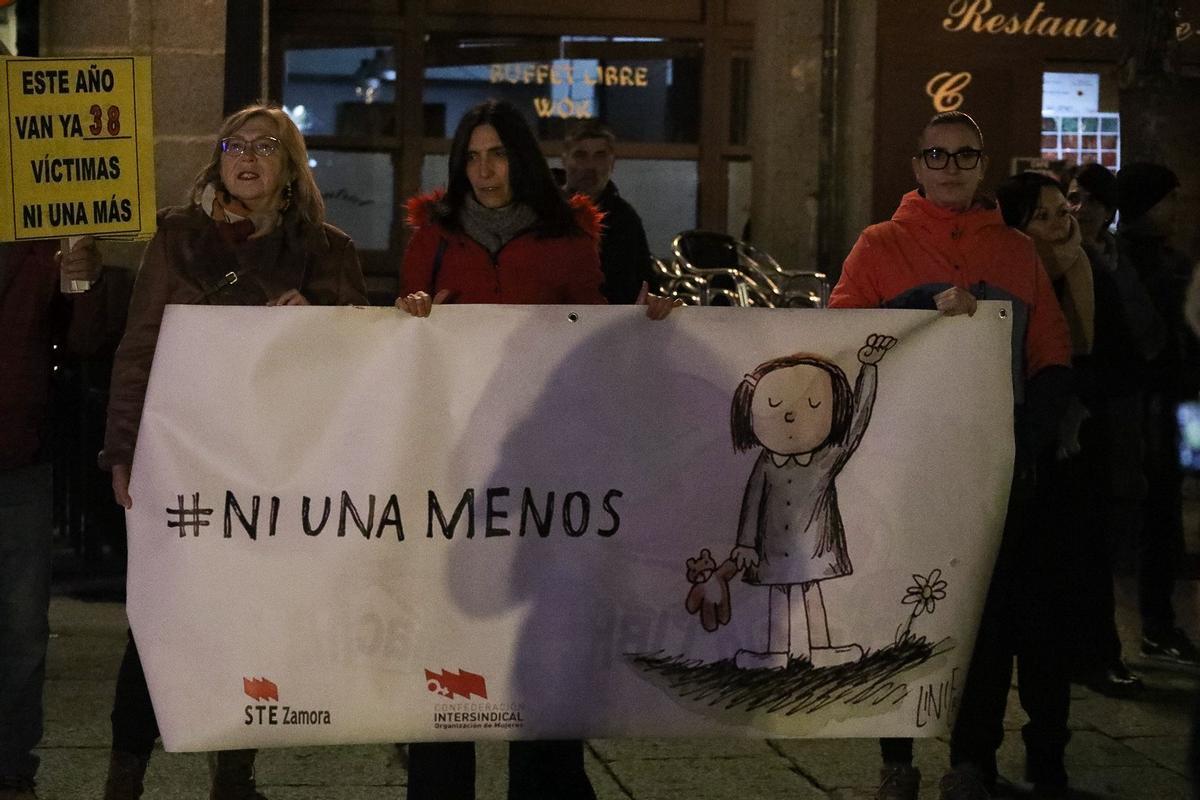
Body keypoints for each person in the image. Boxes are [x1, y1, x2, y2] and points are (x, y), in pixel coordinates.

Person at [395, 99, 677, 800]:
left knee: (547, 639)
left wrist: (643, 321)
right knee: (449, 632)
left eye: (498, 155)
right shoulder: (431, 239)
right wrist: (411, 317)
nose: (486, 172)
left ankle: (547, 784)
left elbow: (593, 331)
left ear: (522, 159)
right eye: (473, 157)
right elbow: (405, 348)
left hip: (547, 469)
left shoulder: (565, 236)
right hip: (455, 470)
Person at [98, 103, 368, 800]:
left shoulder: (328, 252)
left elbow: (365, 364)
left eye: (265, 147)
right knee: (158, 620)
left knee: (254, 617)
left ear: (289, 167)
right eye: (233, 144)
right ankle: (125, 774)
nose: (247, 157)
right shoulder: (179, 239)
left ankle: (235, 777)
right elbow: (139, 348)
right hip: (185, 459)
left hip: (277, 470)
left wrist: (321, 327)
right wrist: (121, 449)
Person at [830, 111, 1072, 800]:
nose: (950, 166)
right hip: (905, 463)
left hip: (992, 472)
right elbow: (841, 334)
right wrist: (918, 317)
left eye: (965, 155)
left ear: (982, 164)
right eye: (936, 153)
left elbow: (1049, 352)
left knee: (985, 615)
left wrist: (1029, 437)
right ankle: (897, 757)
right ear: (916, 165)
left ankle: (973, 759)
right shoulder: (880, 245)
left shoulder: (1018, 253)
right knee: (900, 610)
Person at [1, 238, 104, 800]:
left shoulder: (45, 235)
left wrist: (82, 281)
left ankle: (12, 767)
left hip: (19, 459)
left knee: (20, 632)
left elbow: (83, 338)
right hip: (21, 452)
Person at [728, 335, 896, 670]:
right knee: (778, 594)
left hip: (814, 545)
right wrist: (745, 544)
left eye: (814, 405)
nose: (790, 416)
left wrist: (869, 369)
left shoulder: (826, 458)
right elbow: (751, 502)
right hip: (773, 546)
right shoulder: (764, 464)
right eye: (773, 405)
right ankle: (775, 654)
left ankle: (822, 650)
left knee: (810, 592)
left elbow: (857, 425)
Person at [1116, 162, 1200, 668]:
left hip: (1159, 406)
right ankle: (1156, 625)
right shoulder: (1151, 263)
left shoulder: (1142, 259)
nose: (1176, 208)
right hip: (1150, 408)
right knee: (1158, 516)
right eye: (1169, 198)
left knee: (1159, 515)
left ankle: (1156, 624)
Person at [559, 119, 655, 304]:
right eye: (580, 155)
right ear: (564, 160)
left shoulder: (625, 220)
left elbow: (644, 283)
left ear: (612, 162)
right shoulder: (546, 212)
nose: (590, 165)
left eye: (600, 155)